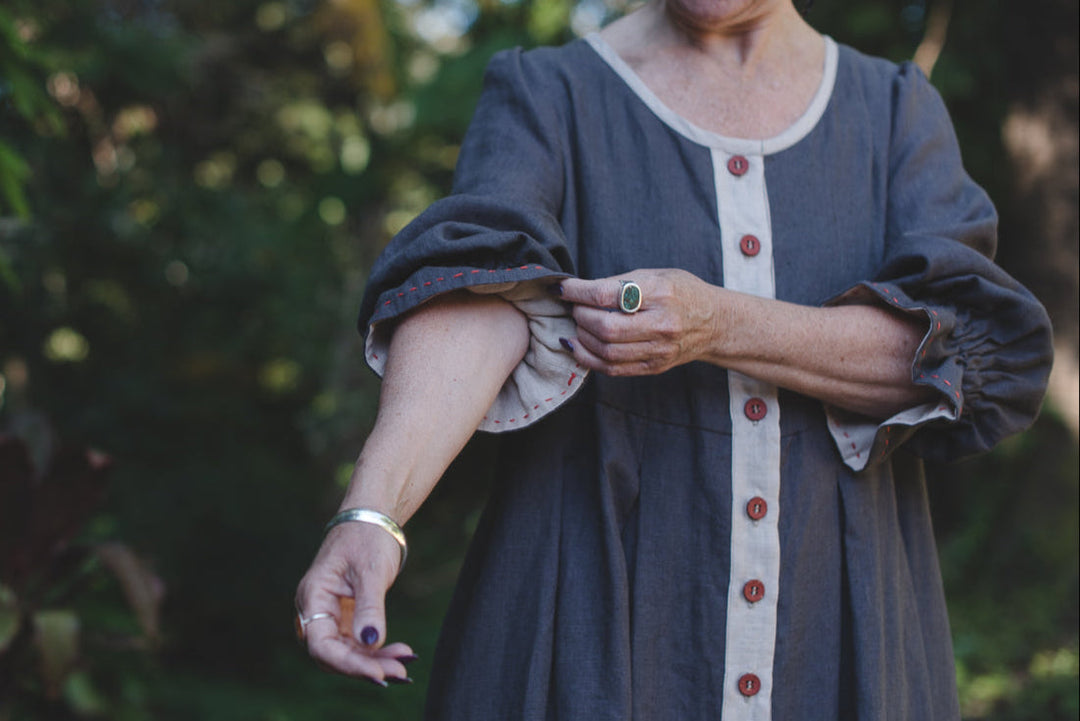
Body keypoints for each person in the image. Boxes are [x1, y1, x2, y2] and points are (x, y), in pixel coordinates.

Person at [294, 0, 1054, 718]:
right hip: (585, 623)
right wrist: (372, 513)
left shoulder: (894, 111)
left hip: (837, 635)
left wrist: (719, 323)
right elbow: (481, 297)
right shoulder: (549, 91)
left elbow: (945, 355)